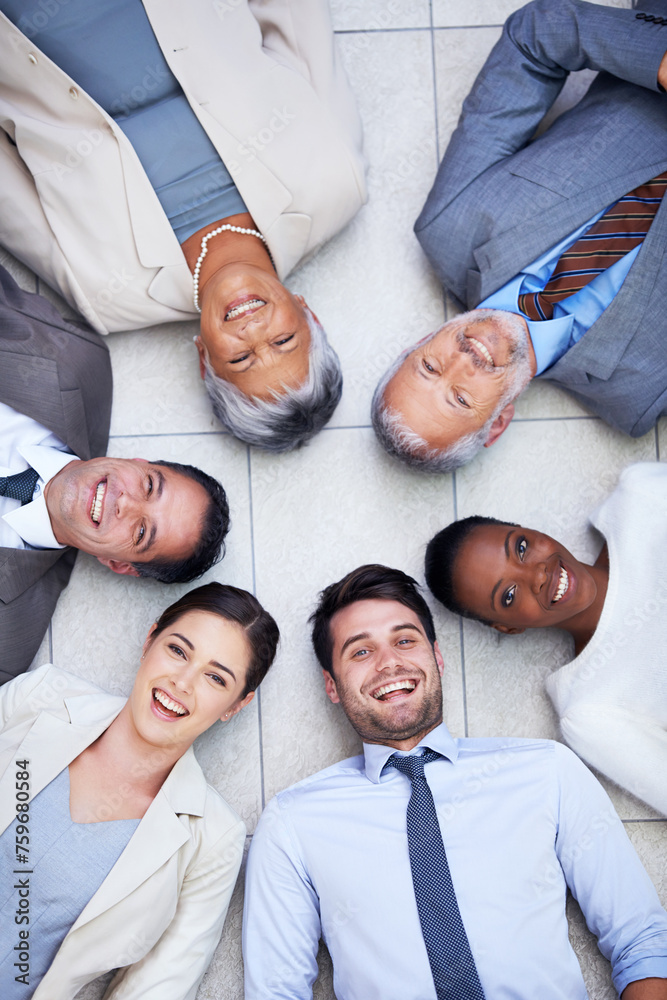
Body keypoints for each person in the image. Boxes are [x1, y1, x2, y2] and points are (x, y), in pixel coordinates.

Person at [243, 563, 667, 1000]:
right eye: (360, 652)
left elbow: (643, 943)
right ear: (332, 686)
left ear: (438, 656)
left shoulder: (547, 771)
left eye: (405, 640)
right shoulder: (293, 823)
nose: (390, 663)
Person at [0, 0, 366, 451]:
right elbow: (294, 15)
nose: (253, 331)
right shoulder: (336, 182)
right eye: (284, 339)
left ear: (204, 358)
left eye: (241, 358)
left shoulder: (105, 296)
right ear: (309, 314)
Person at [372, 0, 667, 472]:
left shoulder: (450, 225)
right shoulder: (640, 394)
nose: (463, 361)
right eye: (461, 398)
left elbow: (535, 37)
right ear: (499, 421)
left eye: (430, 366)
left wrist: (660, 60)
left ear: (422, 341)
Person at [0, 581, 279, 999]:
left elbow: (158, 987)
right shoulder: (41, 698)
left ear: (237, 705)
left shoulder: (213, 841)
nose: (182, 683)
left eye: (216, 678)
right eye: (178, 651)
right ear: (149, 641)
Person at [0, 266, 230, 684]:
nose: (124, 503)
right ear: (141, 463)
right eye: (149, 486)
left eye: (141, 532)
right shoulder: (75, 359)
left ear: (117, 564)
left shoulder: (8, 637)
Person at [424, 462, 667, 817]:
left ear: (527, 530)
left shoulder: (642, 500)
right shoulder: (589, 711)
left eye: (520, 548)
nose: (537, 574)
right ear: (507, 627)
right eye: (508, 595)